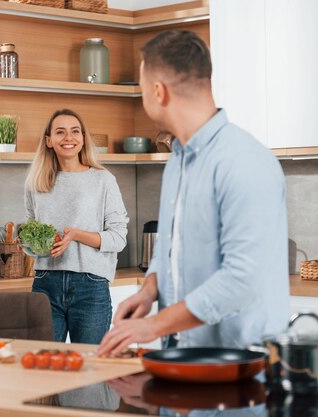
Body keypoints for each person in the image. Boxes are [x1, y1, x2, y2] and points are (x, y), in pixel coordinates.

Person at [98, 30, 289, 356]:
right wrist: (149, 290)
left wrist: (153, 326)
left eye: (143, 90)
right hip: (183, 355)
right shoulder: (178, 160)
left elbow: (243, 280)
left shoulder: (243, 161)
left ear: (158, 92)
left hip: (243, 367)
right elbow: (171, 246)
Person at [25, 108, 129, 344]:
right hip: (45, 282)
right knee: (45, 366)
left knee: (91, 369)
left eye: (75, 131)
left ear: (83, 138)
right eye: (60, 132)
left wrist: (76, 235)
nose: (68, 138)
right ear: (49, 141)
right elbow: (30, 234)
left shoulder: (103, 180)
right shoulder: (36, 181)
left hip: (90, 285)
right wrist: (36, 244)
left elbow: (118, 238)